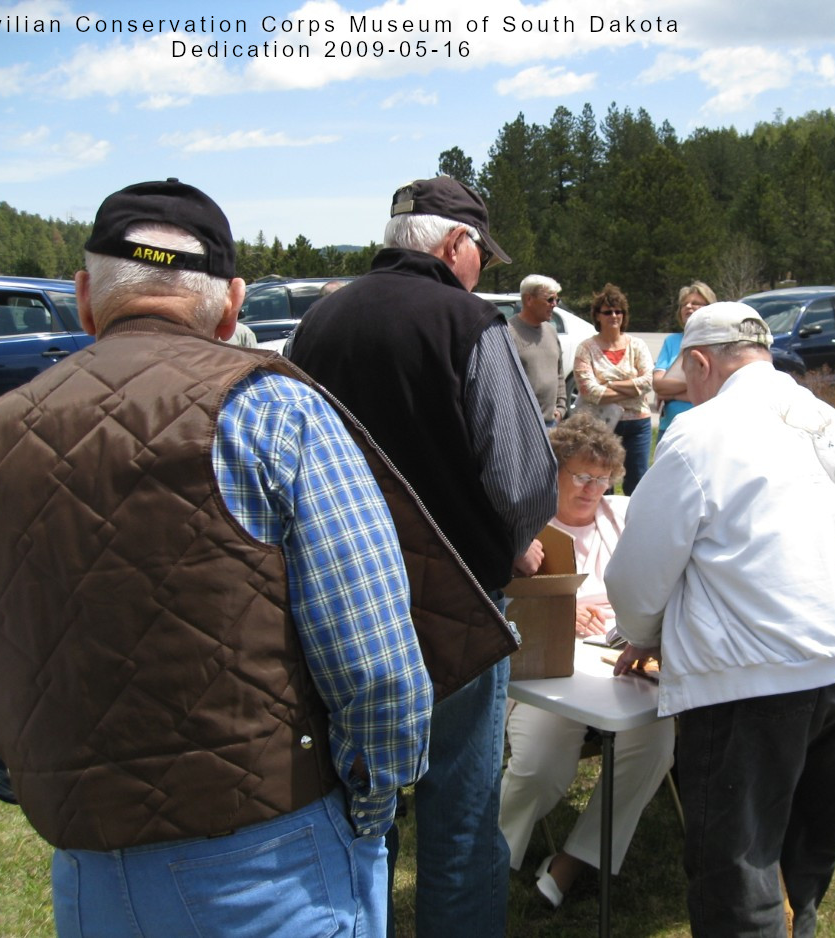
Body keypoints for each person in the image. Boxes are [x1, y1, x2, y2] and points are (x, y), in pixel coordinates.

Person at [0, 178, 435, 936]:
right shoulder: (276, 409)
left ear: (84, 297)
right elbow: (378, 666)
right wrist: (370, 810)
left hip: (88, 872)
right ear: (232, 301)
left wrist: (64, 798)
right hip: (272, 863)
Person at [287, 175, 557, 938]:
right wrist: (517, 541)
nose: (484, 272)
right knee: (462, 811)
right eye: (482, 253)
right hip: (456, 603)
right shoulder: (467, 321)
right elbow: (525, 478)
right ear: (453, 245)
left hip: (338, 599)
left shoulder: (319, 322)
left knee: (362, 798)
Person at [604, 302, 835, 938]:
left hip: (759, 677)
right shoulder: (826, 418)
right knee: (804, 856)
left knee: (740, 874)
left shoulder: (701, 431)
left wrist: (642, 632)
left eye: (688, 378)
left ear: (699, 362)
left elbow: (638, 573)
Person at [498, 414, 675, 907]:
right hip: (548, 671)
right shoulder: (526, 532)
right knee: (541, 762)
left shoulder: (622, 517)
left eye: (602, 478)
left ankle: (573, 861)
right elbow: (500, 604)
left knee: (656, 739)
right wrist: (560, 607)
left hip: (619, 664)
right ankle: (494, 854)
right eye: (581, 476)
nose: (592, 488)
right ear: (553, 472)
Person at [572, 283, 654, 494]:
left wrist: (607, 385)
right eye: (608, 312)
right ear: (597, 316)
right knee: (601, 482)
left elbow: (647, 381)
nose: (614, 316)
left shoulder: (637, 345)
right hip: (602, 425)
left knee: (637, 481)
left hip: (638, 425)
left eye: (619, 311)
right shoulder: (586, 349)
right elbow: (589, 392)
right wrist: (633, 387)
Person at [652, 281, 716, 437]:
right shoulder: (672, 341)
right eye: (684, 304)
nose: (688, 307)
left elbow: (714, 391)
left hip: (705, 428)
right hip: (670, 428)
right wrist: (698, 382)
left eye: (695, 303)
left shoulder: (717, 343)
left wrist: (671, 395)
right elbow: (659, 385)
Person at [509, 274, 566, 426]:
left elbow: (559, 373)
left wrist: (561, 408)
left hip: (551, 424)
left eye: (556, 300)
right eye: (549, 300)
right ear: (529, 300)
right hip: (521, 426)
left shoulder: (551, 331)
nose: (554, 304)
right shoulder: (508, 333)